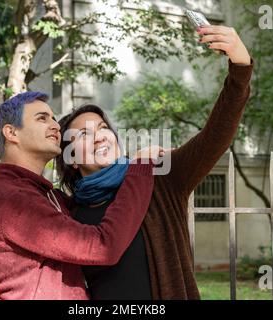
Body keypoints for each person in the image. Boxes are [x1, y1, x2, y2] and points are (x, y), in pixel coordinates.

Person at [55, 25, 254, 299]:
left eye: (103, 128)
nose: (100, 137)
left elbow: (214, 136)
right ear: (72, 159)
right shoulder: (71, 212)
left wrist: (240, 67)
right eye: (84, 135)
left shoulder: (160, 179)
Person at [0, 91, 158, 299]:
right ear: (11, 133)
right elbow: (103, 247)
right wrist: (140, 167)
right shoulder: (9, 199)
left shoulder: (45, 195)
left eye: (53, 118)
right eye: (42, 118)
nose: (55, 126)